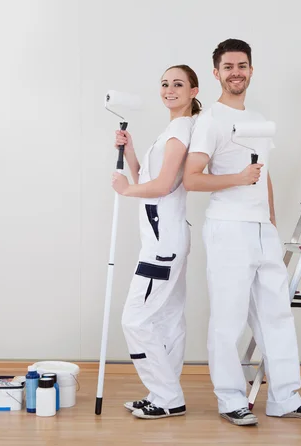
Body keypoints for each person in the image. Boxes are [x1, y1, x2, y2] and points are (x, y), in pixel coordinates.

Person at [183, 39, 301, 426]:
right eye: (228, 66)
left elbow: (264, 177)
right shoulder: (210, 121)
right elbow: (192, 179)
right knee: (228, 319)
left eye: (242, 66)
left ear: (251, 70)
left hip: (262, 230)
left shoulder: (259, 120)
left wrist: (272, 224)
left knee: (276, 314)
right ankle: (231, 399)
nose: (236, 72)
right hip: (228, 229)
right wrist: (237, 177)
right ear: (216, 73)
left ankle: (286, 398)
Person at [111, 64, 201, 420]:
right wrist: (131, 152)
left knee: (135, 320)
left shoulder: (181, 130)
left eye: (178, 84)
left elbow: (163, 187)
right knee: (166, 319)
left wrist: (126, 190)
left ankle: (167, 395)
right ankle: (163, 393)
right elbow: (151, 182)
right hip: (168, 235)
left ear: (194, 90)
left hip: (163, 244)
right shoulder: (173, 129)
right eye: (164, 84)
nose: (169, 89)